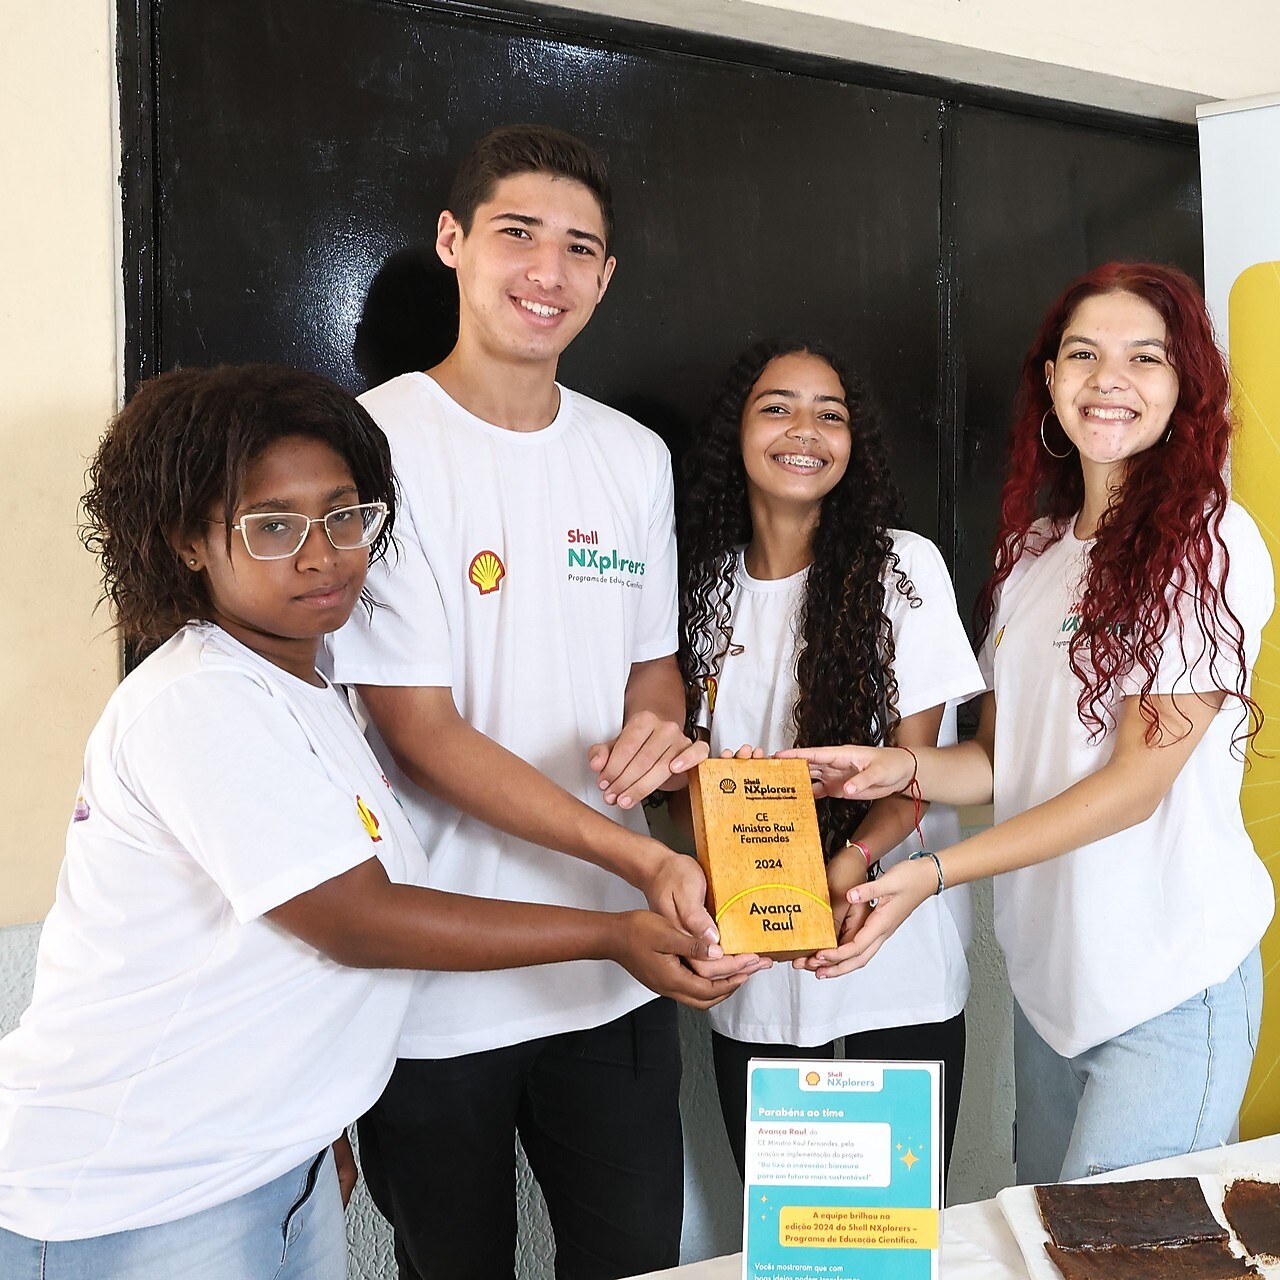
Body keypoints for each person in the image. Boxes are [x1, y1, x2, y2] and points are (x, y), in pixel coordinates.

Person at [0, 364, 737, 1280]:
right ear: (189, 541)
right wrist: (614, 932)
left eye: (345, 516)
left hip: (265, 1168)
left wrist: (321, 1126)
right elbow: (357, 919)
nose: (324, 556)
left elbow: (277, 961)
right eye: (273, 526)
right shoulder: (198, 700)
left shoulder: (305, 689)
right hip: (138, 1197)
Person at [326, 124, 756, 1279]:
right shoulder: (371, 442)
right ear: (452, 242)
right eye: (517, 233)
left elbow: (649, 665)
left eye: (578, 248)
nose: (545, 271)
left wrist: (657, 728)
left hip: (615, 978)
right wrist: (639, 862)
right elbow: (418, 731)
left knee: (634, 1258)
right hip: (437, 975)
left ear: (604, 278)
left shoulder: (629, 454)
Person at [784, 262, 1274, 1184]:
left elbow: (1132, 789)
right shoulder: (1033, 554)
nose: (1109, 380)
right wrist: (898, 769)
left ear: (1186, 385)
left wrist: (933, 873)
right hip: (1053, 995)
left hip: (1169, 988)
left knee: (1111, 1251)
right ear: (1051, 380)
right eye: (1083, 355)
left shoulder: (1209, 544)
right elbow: (998, 762)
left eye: (1145, 358)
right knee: (1044, 1239)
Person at [671, 338, 983, 1178]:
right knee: (790, 1235)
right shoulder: (700, 591)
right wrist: (715, 798)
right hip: (755, 974)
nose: (804, 429)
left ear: (853, 444)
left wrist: (845, 870)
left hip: (889, 963)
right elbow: (682, 790)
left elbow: (919, 774)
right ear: (736, 432)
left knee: (890, 1233)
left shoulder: (901, 568)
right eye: (777, 406)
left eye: (830, 413)